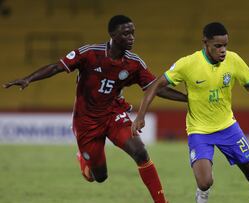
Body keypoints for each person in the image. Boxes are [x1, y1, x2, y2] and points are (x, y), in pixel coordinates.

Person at [3, 15, 188, 203]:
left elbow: (156, 88)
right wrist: (28, 79)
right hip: (86, 121)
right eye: (126, 34)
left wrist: (188, 99)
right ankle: (84, 160)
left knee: (140, 152)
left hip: (113, 114)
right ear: (112, 35)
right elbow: (56, 67)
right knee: (99, 176)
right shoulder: (90, 53)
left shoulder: (134, 63)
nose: (131, 37)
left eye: (133, 33)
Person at [132, 22, 249, 203]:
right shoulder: (188, 64)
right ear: (205, 43)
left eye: (225, 45)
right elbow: (155, 86)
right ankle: (202, 193)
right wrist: (141, 116)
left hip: (228, 127)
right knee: (205, 182)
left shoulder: (233, 60)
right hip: (200, 131)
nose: (223, 50)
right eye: (218, 46)